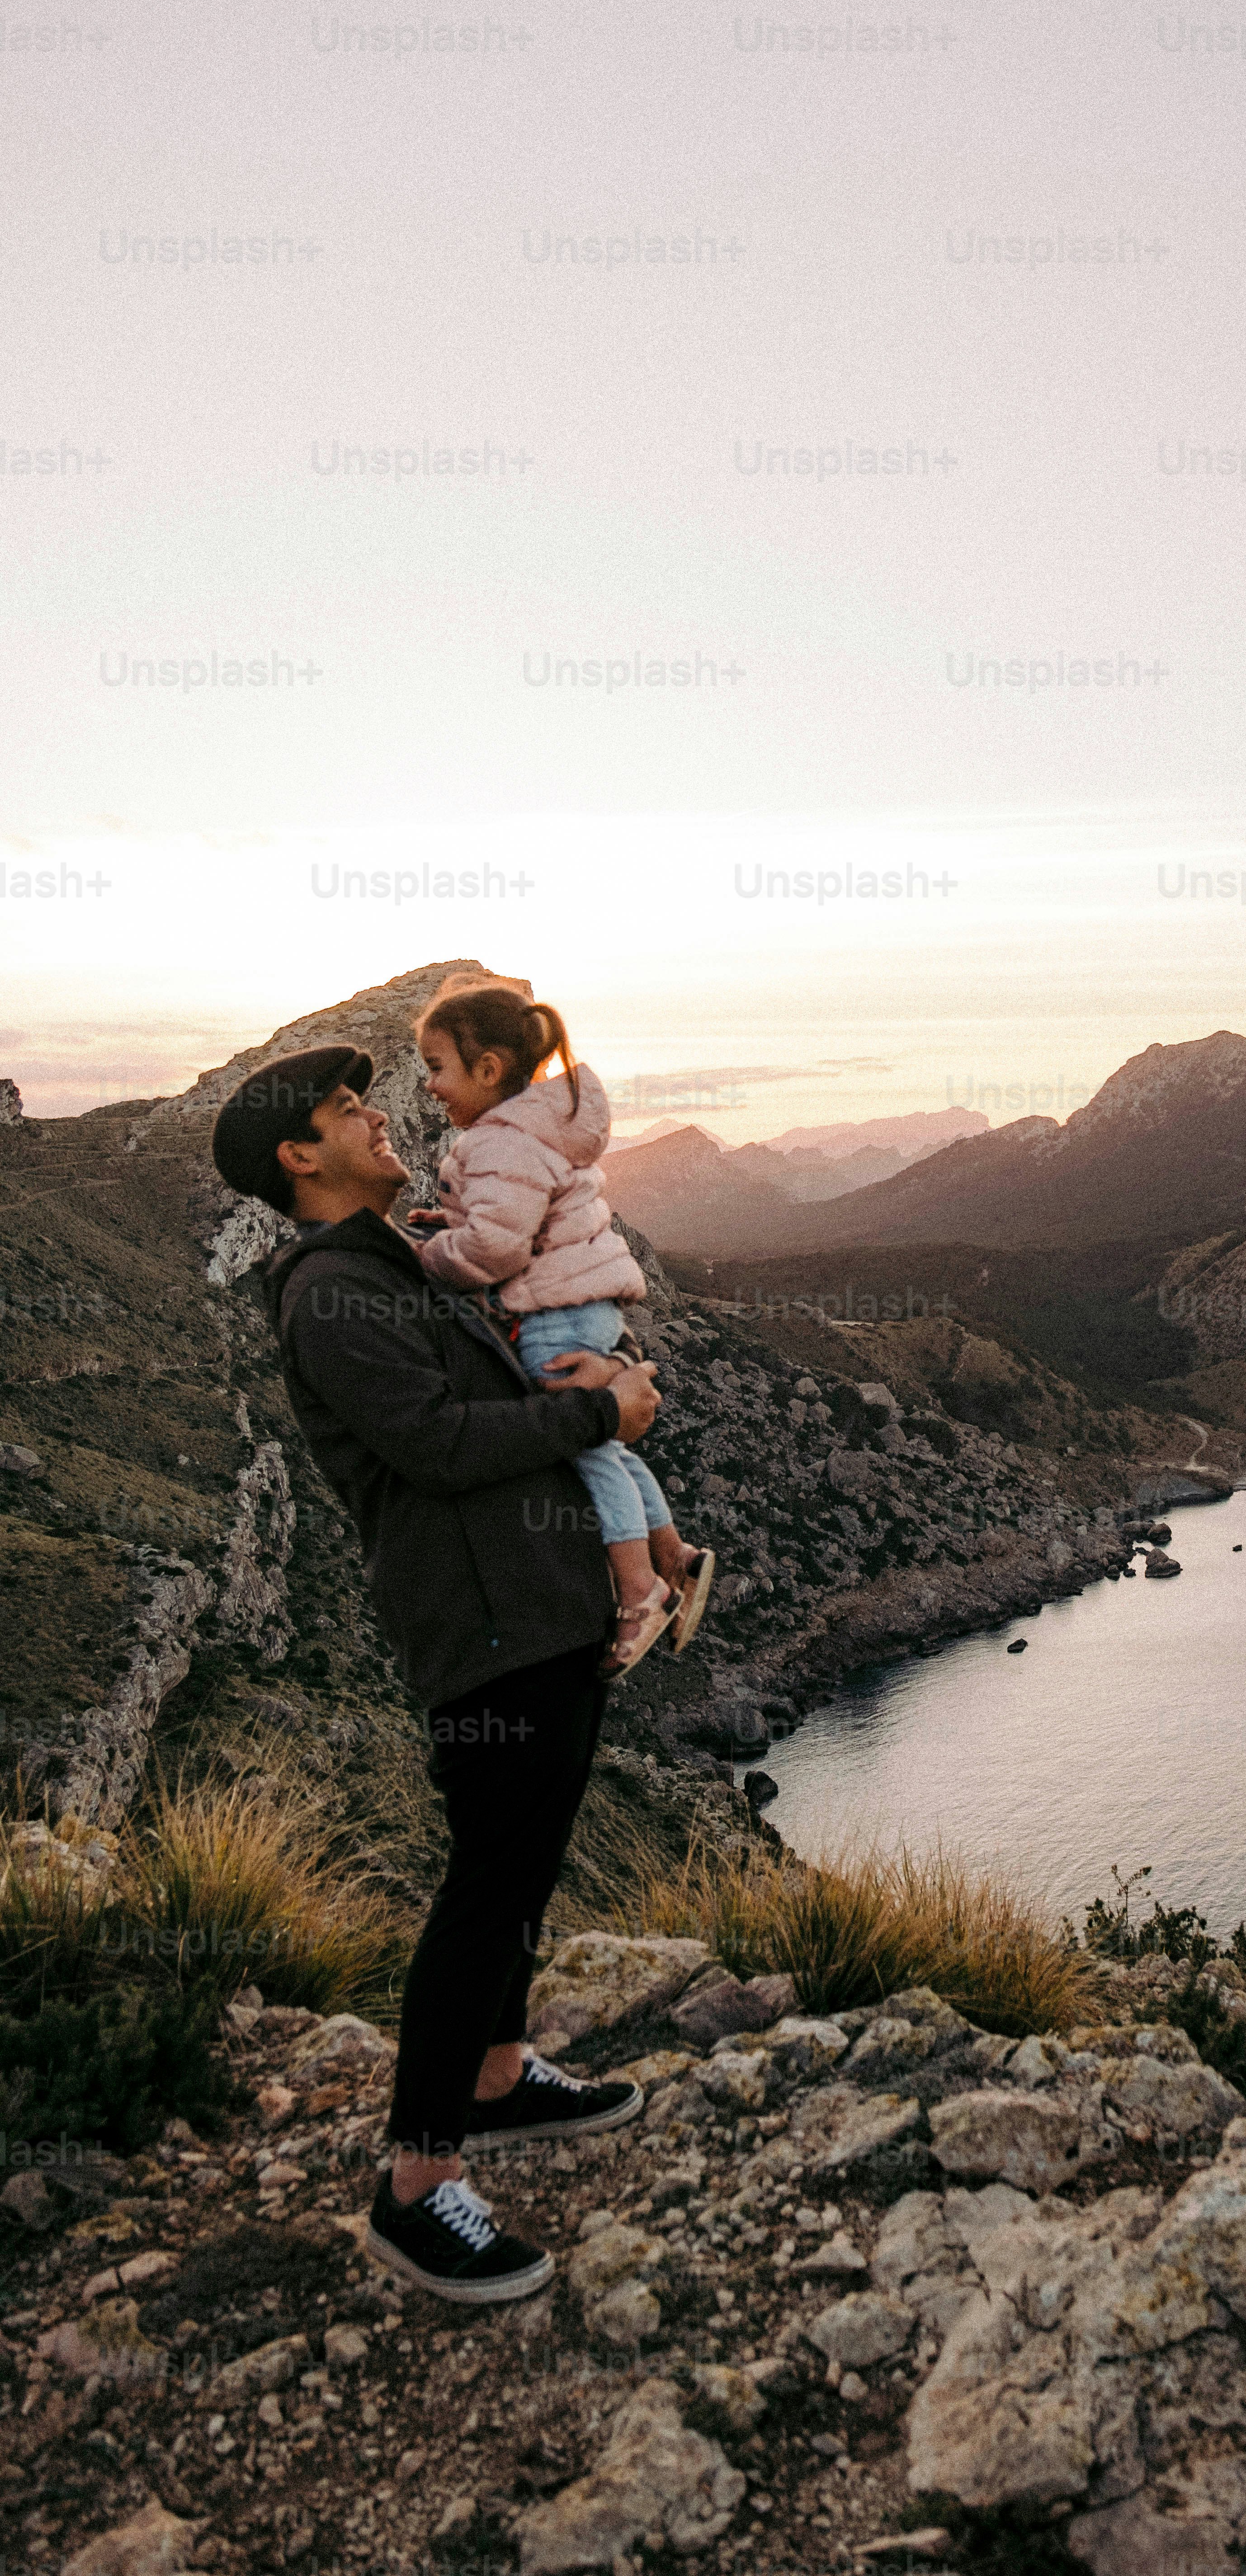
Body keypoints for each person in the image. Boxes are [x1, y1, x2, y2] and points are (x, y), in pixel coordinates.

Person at [212, 1040, 661, 2305]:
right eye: (349, 1109)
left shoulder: (392, 1262)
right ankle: (416, 2192)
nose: (377, 1116)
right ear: (301, 1157)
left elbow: (508, 1386)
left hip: (539, 1612)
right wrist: (601, 1418)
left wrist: (609, 1388)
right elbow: (439, 1446)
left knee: (530, 1858)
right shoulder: (327, 1293)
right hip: (483, 1636)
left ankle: (500, 2074)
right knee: (486, 1883)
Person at [406, 974, 713, 1652]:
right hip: (589, 1308)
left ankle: (639, 1592)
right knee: (602, 1439)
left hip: (555, 1314)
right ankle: (675, 1556)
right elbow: (511, 1218)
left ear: (488, 1069)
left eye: (437, 1069)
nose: (429, 1085)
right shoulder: (534, 1130)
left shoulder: (498, 1141)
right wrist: (451, 1220)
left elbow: (497, 1247)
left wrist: (426, 1256)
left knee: (583, 1441)